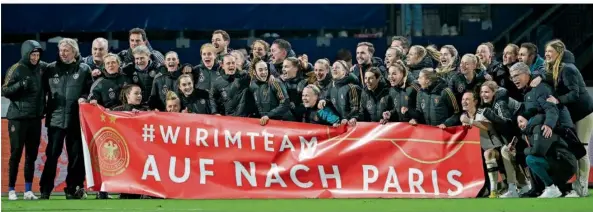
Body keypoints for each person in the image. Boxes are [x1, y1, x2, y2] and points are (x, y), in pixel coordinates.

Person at [510, 62, 577, 198]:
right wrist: (523, 118)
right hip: (541, 131)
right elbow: (535, 110)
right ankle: (539, 188)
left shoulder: (540, 88)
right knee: (534, 156)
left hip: (555, 131)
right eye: (512, 77)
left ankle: (567, 188)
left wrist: (549, 124)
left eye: (517, 75)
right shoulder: (528, 92)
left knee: (534, 156)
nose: (514, 79)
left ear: (527, 74)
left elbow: (551, 108)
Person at [40, 38, 93, 199]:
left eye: (66, 50)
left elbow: (90, 91)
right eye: (61, 50)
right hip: (55, 120)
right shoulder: (50, 69)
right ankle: (45, 189)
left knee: (76, 157)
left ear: (74, 52)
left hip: (76, 120)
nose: (63, 53)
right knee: (52, 155)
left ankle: (73, 188)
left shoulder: (84, 69)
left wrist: (84, 98)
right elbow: (42, 92)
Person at [543, 40, 593, 197]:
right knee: (575, 149)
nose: (546, 54)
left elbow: (574, 93)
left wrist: (557, 100)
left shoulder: (568, 69)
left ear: (559, 52)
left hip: (583, 112)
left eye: (550, 51)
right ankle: (578, 185)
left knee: (581, 149)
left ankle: (582, 187)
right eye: (545, 52)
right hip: (574, 114)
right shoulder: (557, 68)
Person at [2, 40, 46, 200]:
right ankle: (11, 189)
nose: (35, 58)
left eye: (37, 55)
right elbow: (5, 90)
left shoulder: (41, 68)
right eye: (32, 55)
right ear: (25, 54)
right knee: (16, 154)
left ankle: (28, 190)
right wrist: (20, 84)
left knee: (32, 155)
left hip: (35, 118)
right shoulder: (16, 69)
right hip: (18, 118)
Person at [479, 81, 530, 198]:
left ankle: (514, 187)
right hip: (518, 133)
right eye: (482, 92)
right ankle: (522, 186)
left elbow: (508, 123)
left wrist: (490, 115)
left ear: (494, 92)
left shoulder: (499, 103)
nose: (483, 95)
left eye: (486, 92)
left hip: (523, 132)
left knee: (506, 151)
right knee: (507, 152)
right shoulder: (493, 103)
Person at [249, 57, 294, 125]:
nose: (264, 72)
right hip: (267, 124)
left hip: (283, 123)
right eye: (260, 70)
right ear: (254, 72)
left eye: (266, 69)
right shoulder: (252, 85)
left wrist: (268, 115)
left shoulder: (275, 82)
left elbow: (285, 103)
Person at [318, 60, 361, 127]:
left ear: (344, 72)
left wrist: (350, 119)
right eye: (333, 68)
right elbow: (327, 98)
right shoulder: (332, 86)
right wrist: (323, 100)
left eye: (337, 67)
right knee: (321, 110)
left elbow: (356, 108)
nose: (334, 69)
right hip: (340, 124)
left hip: (353, 125)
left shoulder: (352, 87)